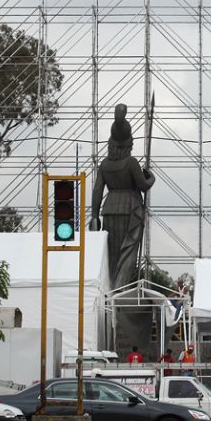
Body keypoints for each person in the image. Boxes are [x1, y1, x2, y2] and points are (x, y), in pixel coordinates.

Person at [89, 104, 156, 290]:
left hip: (109, 211)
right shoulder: (132, 163)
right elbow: (143, 186)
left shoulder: (104, 165)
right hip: (131, 211)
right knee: (128, 255)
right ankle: (121, 293)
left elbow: (97, 191)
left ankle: (110, 292)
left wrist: (94, 216)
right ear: (128, 143)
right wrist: (152, 178)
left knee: (112, 256)